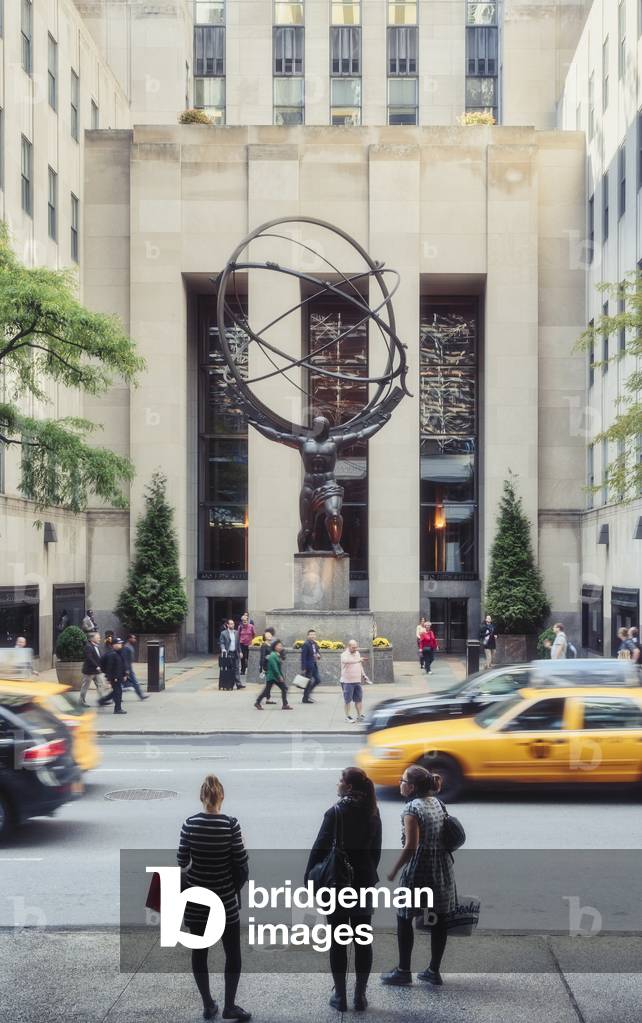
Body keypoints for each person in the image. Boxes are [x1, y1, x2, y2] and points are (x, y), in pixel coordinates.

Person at [305, 767, 382, 1013]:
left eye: (340, 780)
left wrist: (309, 880)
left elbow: (319, 849)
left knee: (338, 940)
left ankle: (340, 996)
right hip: (364, 882)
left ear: (348, 787)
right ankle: (360, 995)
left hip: (337, 883)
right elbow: (376, 852)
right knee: (362, 939)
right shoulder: (373, 811)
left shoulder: (335, 812)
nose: (337, 783)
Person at [178, 774, 250, 1022]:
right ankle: (230, 1006)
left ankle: (208, 1004)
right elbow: (241, 860)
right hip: (224, 901)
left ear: (201, 797)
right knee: (233, 954)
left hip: (197, 901)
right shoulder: (231, 825)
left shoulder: (189, 824)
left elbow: (182, 861)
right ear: (222, 797)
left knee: (199, 954)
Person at [381, 764, 456, 988]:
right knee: (439, 919)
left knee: (405, 917)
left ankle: (403, 971)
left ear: (411, 787)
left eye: (403, 780)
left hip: (419, 870)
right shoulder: (437, 802)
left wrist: (394, 870)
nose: (400, 783)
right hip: (442, 868)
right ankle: (433, 971)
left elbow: (411, 847)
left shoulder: (411, 809)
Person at [254, 639, 292, 710]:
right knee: (270, 690)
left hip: (274, 676)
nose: (280, 647)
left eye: (281, 646)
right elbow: (274, 667)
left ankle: (284, 704)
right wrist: (279, 676)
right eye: (279, 646)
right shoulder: (273, 655)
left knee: (281, 689)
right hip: (272, 676)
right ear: (275, 646)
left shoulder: (276, 655)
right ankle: (258, 702)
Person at [340, 639, 371, 723]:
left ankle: (359, 716)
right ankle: (347, 717)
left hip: (357, 680)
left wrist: (364, 675)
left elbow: (360, 665)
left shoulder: (357, 653)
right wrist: (358, 660)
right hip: (347, 681)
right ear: (348, 646)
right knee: (347, 700)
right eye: (353, 647)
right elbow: (346, 661)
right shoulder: (344, 655)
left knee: (359, 699)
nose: (355, 649)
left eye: (356, 647)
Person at [98, 637, 128, 714]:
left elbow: (122, 664)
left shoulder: (119, 653)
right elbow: (109, 668)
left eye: (121, 643)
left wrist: (124, 674)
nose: (120, 645)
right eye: (119, 643)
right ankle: (117, 709)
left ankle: (102, 700)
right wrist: (109, 679)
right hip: (115, 677)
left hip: (119, 676)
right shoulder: (112, 654)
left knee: (116, 692)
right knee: (118, 692)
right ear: (114, 645)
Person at [80, 632, 104, 706]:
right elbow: (89, 658)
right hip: (89, 671)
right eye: (98, 638)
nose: (99, 639)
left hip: (97, 671)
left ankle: (102, 700)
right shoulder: (88, 646)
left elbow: (99, 658)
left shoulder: (97, 646)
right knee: (85, 686)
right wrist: (96, 666)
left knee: (100, 685)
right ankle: (81, 701)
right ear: (92, 639)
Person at [220, 619, 244, 691]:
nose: (232, 625)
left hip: (235, 653)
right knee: (230, 669)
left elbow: (238, 644)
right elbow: (221, 642)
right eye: (230, 624)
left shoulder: (236, 633)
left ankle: (238, 684)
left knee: (237, 668)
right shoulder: (223, 633)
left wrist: (240, 652)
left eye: (233, 624)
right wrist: (223, 649)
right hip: (228, 653)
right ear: (227, 625)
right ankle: (230, 684)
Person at [122, 634, 148, 700]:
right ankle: (141, 695)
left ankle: (116, 696)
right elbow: (124, 659)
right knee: (134, 682)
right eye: (133, 638)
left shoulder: (129, 646)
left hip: (129, 667)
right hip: (127, 668)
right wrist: (126, 669)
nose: (135, 640)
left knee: (123, 684)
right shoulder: (126, 647)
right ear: (129, 639)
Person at [301, 628, 321, 704]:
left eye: (314, 635)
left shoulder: (315, 644)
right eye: (311, 635)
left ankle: (307, 693)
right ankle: (305, 698)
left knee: (318, 680)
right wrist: (303, 668)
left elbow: (317, 652)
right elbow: (303, 657)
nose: (312, 636)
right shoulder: (306, 644)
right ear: (308, 636)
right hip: (308, 667)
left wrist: (318, 656)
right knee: (308, 682)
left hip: (314, 665)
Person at [258, 628, 276, 703]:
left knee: (270, 683)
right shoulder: (264, 645)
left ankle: (267, 698)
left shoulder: (271, 645)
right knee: (269, 683)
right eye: (267, 635)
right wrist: (261, 667)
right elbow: (262, 657)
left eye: (270, 635)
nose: (269, 636)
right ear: (265, 637)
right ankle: (267, 698)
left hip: (272, 666)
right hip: (267, 666)